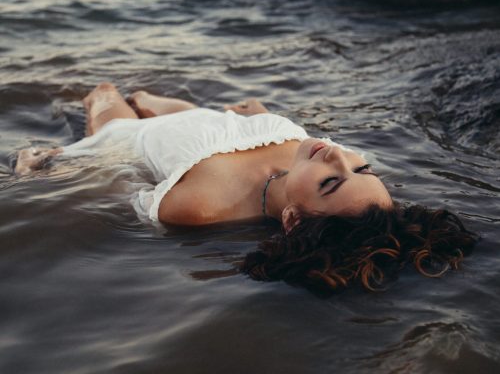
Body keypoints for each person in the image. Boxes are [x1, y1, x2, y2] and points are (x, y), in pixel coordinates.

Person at [14, 83, 478, 292]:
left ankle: (121, 104)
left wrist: (44, 171)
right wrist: (260, 113)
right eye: (363, 168)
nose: (339, 157)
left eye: (333, 182)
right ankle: (148, 102)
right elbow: (287, 134)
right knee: (147, 97)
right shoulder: (327, 154)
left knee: (107, 91)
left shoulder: (201, 208)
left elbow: (116, 179)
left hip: (131, 141)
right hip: (203, 117)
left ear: (293, 218)